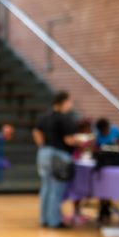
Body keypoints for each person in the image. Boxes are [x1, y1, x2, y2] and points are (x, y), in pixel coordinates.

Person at [32, 91, 78, 229]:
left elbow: (36, 132)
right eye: (70, 101)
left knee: (46, 187)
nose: (71, 104)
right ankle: (54, 221)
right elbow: (68, 140)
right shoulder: (65, 119)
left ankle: (44, 218)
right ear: (64, 102)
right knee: (56, 189)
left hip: (44, 153)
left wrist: (43, 146)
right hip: (59, 155)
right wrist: (79, 141)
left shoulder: (45, 116)